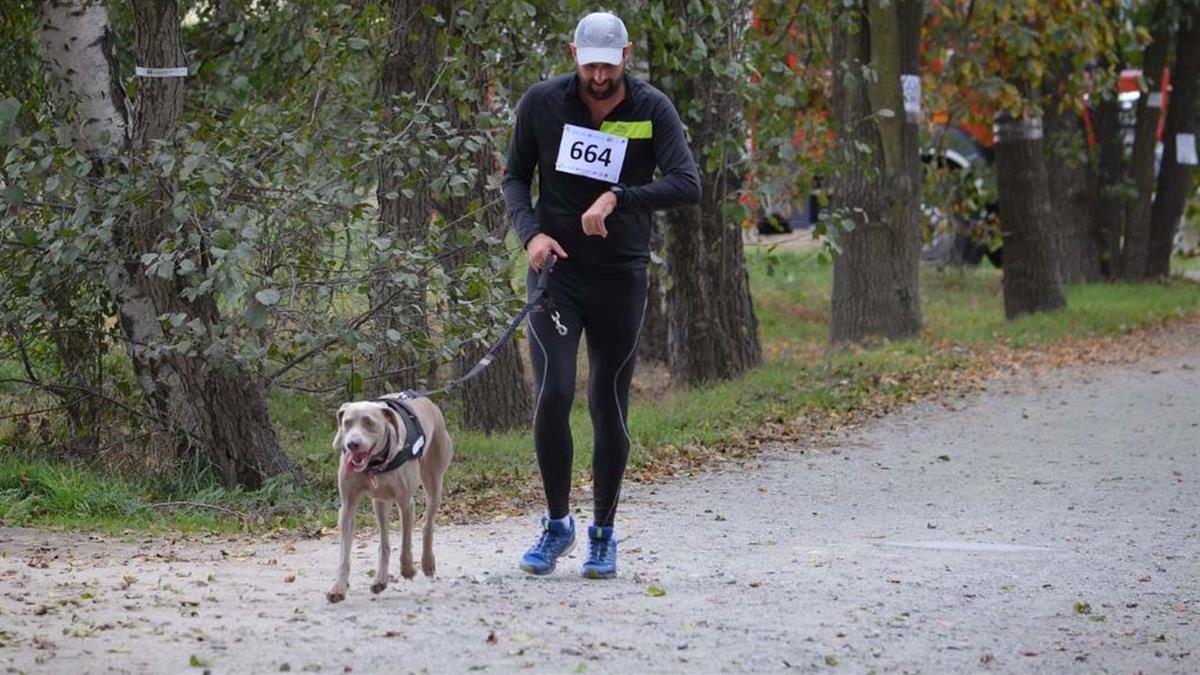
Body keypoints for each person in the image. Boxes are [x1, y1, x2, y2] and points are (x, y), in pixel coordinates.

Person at [501, 10, 701, 579]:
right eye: (589, 64)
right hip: (556, 272)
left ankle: (603, 533)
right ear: (573, 55)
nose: (598, 76)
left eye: (608, 66)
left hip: (619, 275)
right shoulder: (541, 103)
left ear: (626, 56)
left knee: (607, 402)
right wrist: (531, 234)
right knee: (555, 392)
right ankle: (557, 523)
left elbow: (687, 184)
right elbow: (514, 177)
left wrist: (618, 197)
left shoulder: (651, 108)